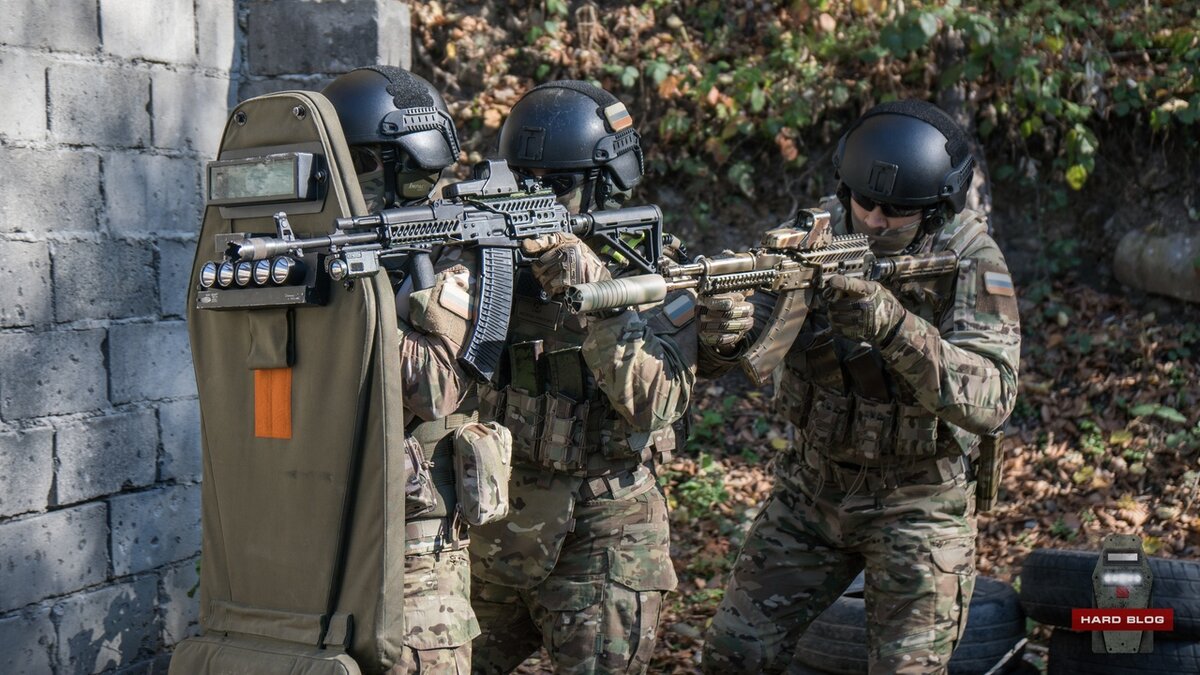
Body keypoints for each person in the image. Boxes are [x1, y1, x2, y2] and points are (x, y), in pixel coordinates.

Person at [699, 99, 1021, 674]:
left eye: (897, 210)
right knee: (735, 652)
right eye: (864, 201)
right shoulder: (813, 236)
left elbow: (992, 398)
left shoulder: (970, 259)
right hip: (813, 489)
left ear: (935, 207)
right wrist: (723, 331)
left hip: (918, 500)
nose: (873, 220)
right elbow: (739, 350)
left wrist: (894, 326)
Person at [467, 81, 697, 674]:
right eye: (525, 182)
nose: (536, 198)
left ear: (605, 183)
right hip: (497, 522)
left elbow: (658, 400)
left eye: (557, 186)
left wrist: (595, 291)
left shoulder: (651, 266)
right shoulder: (485, 256)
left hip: (605, 530)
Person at [324, 65, 484, 674]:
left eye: (375, 167)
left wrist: (354, 313)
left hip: (414, 538)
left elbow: (438, 385)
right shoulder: (320, 235)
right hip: (316, 515)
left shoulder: (457, 244)